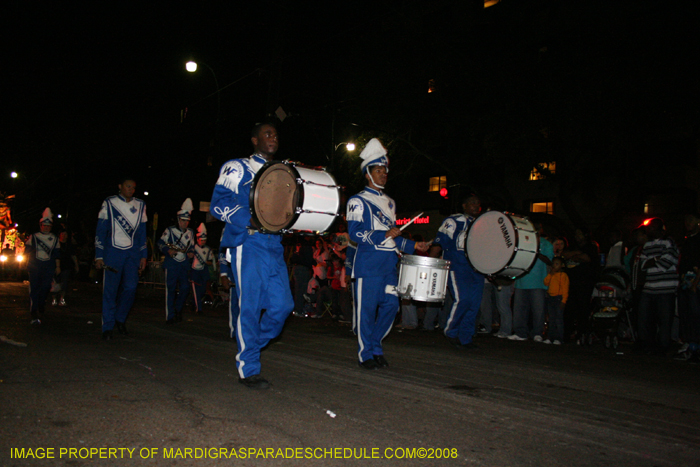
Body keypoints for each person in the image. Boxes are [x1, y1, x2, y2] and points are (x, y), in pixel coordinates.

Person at [210, 120, 294, 389]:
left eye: (276, 135)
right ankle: (249, 367)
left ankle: (250, 345)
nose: (274, 138)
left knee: (284, 306)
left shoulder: (282, 172)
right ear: (254, 140)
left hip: (274, 245)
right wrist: (251, 220)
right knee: (251, 306)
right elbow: (218, 205)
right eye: (267, 134)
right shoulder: (236, 167)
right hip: (248, 242)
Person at [347, 138, 429, 369]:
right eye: (378, 170)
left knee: (392, 307)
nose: (383, 174)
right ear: (368, 174)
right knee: (366, 312)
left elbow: (393, 237)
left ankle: (375, 345)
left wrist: (415, 247)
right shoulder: (357, 201)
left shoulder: (390, 203)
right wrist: (382, 234)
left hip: (389, 267)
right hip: (368, 266)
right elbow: (354, 233)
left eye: (385, 170)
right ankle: (366, 354)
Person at [428, 194, 484, 349]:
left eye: (477, 203)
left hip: (477, 269)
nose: (475, 205)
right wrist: (429, 264)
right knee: (463, 300)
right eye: (471, 203)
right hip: (457, 267)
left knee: (474, 304)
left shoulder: (484, 224)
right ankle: (451, 331)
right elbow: (440, 241)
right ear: (464, 206)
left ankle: (466, 337)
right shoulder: (453, 221)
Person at [95, 178, 147, 339]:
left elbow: (142, 233)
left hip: (132, 253)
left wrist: (144, 255)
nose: (131, 189)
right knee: (110, 290)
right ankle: (108, 326)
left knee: (131, 287)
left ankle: (120, 318)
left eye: (133, 187)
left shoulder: (141, 205)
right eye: (128, 186)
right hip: (113, 252)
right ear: (120, 186)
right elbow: (101, 230)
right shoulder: (109, 202)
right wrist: (99, 255)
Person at [636, 217, 679, 355]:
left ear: (659, 228)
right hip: (649, 288)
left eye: (651, 227)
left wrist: (651, 261)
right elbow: (642, 265)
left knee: (665, 320)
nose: (648, 230)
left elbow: (666, 263)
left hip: (666, 288)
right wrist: (656, 259)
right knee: (644, 318)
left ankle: (663, 347)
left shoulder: (669, 242)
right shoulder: (647, 245)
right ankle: (647, 345)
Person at [509, 222, 554, 342]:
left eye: (538, 229)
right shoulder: (523, 241)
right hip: (521, 280)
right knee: (519, 309)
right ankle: (520, 333)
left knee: (538, 310)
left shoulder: (546, 244)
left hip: (539, 282)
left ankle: (537, 333)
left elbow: (550, 261)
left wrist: (536, 252)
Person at [157, 199, 195, 324]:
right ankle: (170, 316)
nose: (185, 223)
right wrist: (168, 250)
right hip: (172, 263)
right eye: (183, 220)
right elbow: (160, 243)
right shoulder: (170, 230)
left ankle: (178, 309)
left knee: (185, 288)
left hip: (183, 263)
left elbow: (192, 246)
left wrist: (191, 252)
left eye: (187, 221)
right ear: (179, 220)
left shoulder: (190, 233)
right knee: (171, 289)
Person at [562, 228, 600, 343]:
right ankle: (567, 334)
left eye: (579, 234)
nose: (577, 236)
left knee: (583, 308)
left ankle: (582, 334)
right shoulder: (573, 246)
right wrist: (577, 254)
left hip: (584, 283)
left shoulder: (591, 246)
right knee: (569, 309)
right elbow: (565, 254)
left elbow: (588, 258)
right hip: (571, 283)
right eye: (576, 234)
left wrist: (577, 256)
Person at [26, 208, 61, 325]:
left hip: (48, 267)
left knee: (45, 288)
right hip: (35, 267)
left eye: (48, 226)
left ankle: (41, 304)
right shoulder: (34, 237)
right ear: (40, 225)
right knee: (34, 289)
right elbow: (27, 251)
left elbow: (56, 254)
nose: (46, 227)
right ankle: (34, 311)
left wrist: (57, 267)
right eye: (44, 225)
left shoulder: (55, 239)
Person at [676, 214, 700, 362]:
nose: (688, 223)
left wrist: (695, 284)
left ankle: (696, 347)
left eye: (691, 220)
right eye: (686, 221)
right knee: (686, 315)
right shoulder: (687, 240)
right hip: (685, 281)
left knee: (695, 315)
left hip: (694, 282)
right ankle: (690, 345)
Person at [543, 256, 569, 345]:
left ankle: (559, 338)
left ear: (561, 265)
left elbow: (565, 289)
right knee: (551, 319)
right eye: (553, 264)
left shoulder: (563, 276)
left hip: (558, 298)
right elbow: (545, 282)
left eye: (557, 264)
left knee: (558, 319)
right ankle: (550, 337)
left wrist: (563, 301)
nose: (554, 266)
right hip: (551, 298)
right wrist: (550, 274)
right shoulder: (552, 274)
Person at [52, 228, 79, 307]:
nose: (64, 236)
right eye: (62, 234)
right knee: (55, 283)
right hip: (56, 266)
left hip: (66, 266)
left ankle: (62, 298)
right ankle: (54, 298)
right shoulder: (56, 244)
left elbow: (73, 256)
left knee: (64, 283)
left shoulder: (69, 245)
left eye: (65, 234)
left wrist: (76, 265)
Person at [190, 223, 214, 314]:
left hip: (203, 271)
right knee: (196, 290)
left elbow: (211, 261)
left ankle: (194, 302)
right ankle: (199, 309)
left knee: (203, 290)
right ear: (198, 239)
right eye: (201, 240)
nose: (203, 242)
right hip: (195, 271)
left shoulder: (208, 249)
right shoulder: (193, 248)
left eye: (204, 240)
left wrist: (207, 262)